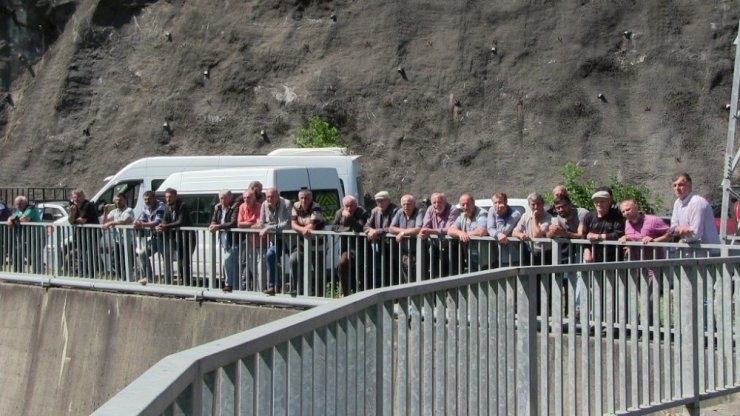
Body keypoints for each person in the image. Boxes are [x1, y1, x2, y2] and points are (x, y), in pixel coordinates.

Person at [289, 189, 325, 296]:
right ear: (299, 198)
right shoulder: (295, 206)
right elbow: (293, 224)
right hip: (302, 243)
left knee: (319, 270)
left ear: (311, 198)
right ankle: (298, 290)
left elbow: (312, 226)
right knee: (294, 260)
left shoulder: (316, 207)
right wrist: (303, 230)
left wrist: (303, 229)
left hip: (318, 244)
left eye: (307, 198)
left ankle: (320, 295)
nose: (304, 200)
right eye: (302, 198)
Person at [669, 172, 720, 247]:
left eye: (680, 185)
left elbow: (696, 234)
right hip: (691, 253)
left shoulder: (697, 202)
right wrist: (680, 229)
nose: (677, 188)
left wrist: (682, 237)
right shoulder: (677, 203)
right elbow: (673, 228)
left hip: (709, 253)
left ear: (690, 186)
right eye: (674, 185)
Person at [156, 188, 194, 285]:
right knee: (178, 260)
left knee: (184, 262)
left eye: (170, 197)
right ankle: (181, 282)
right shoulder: (167, 206)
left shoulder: (182, 206)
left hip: (187, 238)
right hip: (175, 238)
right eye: (166, 197)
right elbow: (165, 219)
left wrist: (166, 226)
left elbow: (181, 222)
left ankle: (187, 283)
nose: (168, 199)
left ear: (175, 197)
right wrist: (161, 225)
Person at [258, 187, 292, 295]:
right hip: (274, 239)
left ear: (278, 196)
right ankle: (272, 286)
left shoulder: (286, 204)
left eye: (272, 196)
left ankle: (294, 287)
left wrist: (269, 228)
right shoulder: (264, 205)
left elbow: (286, 224)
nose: (269, 199)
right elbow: (262, 223)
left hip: (288, 239)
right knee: (270, 254)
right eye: (267, 196)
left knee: (293, 260)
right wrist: (270, 227)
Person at [332, 195, 368, 296]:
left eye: (351, 205)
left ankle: (363, 294)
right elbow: (334, 227)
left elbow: (359, 228)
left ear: (356, 205)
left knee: (362, 272)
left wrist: (348, 217)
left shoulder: (362, 212)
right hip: (347, 247)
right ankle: (344, 293)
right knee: (342, 264)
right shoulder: (339, 213)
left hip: (362, 247)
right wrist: (347, 230)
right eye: (346, 206)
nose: (349, 208)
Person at [579, 188, 625, 263]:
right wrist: (586, 250)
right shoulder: (589, 216)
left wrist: (598, 236)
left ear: (609, 201)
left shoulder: (617, 215)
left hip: (614, 259)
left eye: (602, 201)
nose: (599, 204)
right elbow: (583, 236)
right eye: (596, 202)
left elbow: (618, 234)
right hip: (593, 258)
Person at [419, 192, 459, 278]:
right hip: (436, 247)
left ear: (445, 202)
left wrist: (431, 231)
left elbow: (449, 229)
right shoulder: (430, 209)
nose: (436, 204)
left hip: (451, 247)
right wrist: (423, 232)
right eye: (434, 202)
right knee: (435, 275)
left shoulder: (453, 209)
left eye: (439, 202)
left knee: (453, 276)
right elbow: (425, 226)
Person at [364, 191, 398, 287]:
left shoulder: (395, 210)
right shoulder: (375, 211)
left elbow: (393, 227)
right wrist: (370, 231)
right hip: (381, 245)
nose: (380, 203)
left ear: (388, 200)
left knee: (393, 269)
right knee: (383, 270)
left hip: (393, 245)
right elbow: (366, 226)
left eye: (382, 201)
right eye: (378, 201)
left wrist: (377, 231)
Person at [447, 193, 488, 272]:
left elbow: (482, 231)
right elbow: (450, 230)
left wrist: (465, 234)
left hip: (485, 260)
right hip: (471, 257)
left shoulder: (482, 213)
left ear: (473, 203)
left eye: (468, 204)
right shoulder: (462, 216)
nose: (465, 207)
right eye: (463, 205)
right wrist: (460, 233)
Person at [389, 194, 425, 282]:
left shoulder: (420, 211)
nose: (406, 206)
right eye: (404, 204)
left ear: (414, 204)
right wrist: (404, 232)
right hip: (405, 251)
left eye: (408, 204)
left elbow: (418, 228)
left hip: (418, 250)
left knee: (419, 276)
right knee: (406, 277)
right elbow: (391, 228)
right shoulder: (399, 212)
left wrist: (402, 233)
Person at [210, 190, 240, 292]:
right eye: (221, 198)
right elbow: (214, 219)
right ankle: (234, 286)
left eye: (225, 198)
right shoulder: (218, 208)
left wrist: (218, 226)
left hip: (234, 239)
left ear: (230, 198)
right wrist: (213, 224)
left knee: (227, 261)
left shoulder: (235, 206)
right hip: (223, 239)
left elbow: (233, 222)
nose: (222, 200)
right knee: (230, 263)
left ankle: (229, 284)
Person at [133, 191, 165, 282]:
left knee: (166, 260)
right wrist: (138, 222)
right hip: (154, 237)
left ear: (154, 198)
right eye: (145, 199)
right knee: (142, 254)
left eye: (149, 199)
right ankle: (148, 278)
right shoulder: (145, 207)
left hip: (165, 237)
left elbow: (157, 222)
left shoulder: (161, 206)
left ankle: (168, 281)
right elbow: (143, 219)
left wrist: (142, 224)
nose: (147, 201)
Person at [101, 193, 134, 280]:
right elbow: (104, 223)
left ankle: (128, 279)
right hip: (117, 241)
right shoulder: (113, 212)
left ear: (125, 200)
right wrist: (105, 211)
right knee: (114, 261)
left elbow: (125, 220)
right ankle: (123, 278)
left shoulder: (129, 210)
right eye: (116, 200)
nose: (118, 202)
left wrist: (112, 223)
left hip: (128, 242)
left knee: (126, 262)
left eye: (120, 200)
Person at [513, 193, 553, 265]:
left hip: (546, 253)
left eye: (538, 204)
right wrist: (520, 234)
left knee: (546, 276)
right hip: (531, 253)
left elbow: (536, 235)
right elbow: (514, 232)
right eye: (533, 204)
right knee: (531, 275)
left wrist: (534, 218)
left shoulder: (548, 217)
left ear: (543, 204)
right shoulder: (525, 216)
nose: (536, 207)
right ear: (529, 205)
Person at [68, 189, 100, 277]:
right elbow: (70, 221)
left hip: (92, 234)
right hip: (80, 234)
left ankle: (91, 275)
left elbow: (82, 220)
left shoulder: (88, 205)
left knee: (89, 255)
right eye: (75, 197)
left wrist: (74, 218)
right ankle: (83, 274)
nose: (77, 199)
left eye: (79, 196)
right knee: (81, 255)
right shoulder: (73, 207)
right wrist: (72, 212)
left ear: (83, 197)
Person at [6, 195, 42, 273]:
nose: (18, 206)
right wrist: (10, 219)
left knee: (35, 257)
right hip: (23, 238)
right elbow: (11, 217)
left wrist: (12, 220)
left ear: (25, 203)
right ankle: (18, 275)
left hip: (35, 237)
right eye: (16, 204)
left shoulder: (31, 209)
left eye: (20, 204)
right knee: (17, 255)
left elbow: (24, 219)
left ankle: (39, 277)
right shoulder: (18, 211)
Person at [237, 188, 263, 291]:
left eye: (248, 197)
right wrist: (252, 223)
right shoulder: (242, 207)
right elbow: (239, 224)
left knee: (259, 270)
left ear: (254, 198)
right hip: (249, 243)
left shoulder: (259, 207)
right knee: (251, 268)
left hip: (261, 243)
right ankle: (251, 291)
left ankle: (259, 292)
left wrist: (247, 224)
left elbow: (259, 224)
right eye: (244, 198)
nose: (246, 199)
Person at [486, 192, 522, 266]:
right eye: (495, 203)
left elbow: (504, 231)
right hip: (497, 254)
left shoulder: (515, 214)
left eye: (500, 202)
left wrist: (499, 216)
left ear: (505, 202)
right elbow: (490, 228)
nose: (497, 205)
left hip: (513, 255)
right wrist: (498, 234)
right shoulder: (492, 210)